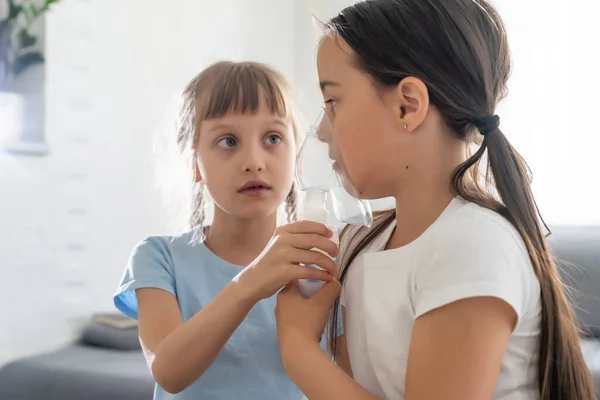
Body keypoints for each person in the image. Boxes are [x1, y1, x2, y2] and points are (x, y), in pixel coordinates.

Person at [273, 1, 596, 399]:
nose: (321, 131)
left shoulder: (471, 244)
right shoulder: (364, 243)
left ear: (407, 105)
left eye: (333, 103)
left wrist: (297, 348)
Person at [113, 61, 339, 400]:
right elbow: (168, 371)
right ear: (193, 161)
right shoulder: (158, 258)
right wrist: (250, 282)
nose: (254, 161)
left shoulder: (323, 261)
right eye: (228, 141)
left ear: (297, 155)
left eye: (273, 138)